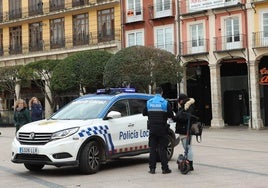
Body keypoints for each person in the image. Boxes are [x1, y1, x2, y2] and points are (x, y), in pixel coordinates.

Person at [143, 87, 174, 174]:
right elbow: (171, 115)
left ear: (154, 92)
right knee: (162, 149)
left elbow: (143, 113)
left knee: (152, 149)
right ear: (162, 93)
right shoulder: (165, 102)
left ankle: (152, 169)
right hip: (162, 129)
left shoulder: (149, 102)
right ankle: (165, 169)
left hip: (152, 129)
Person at [173, 93, 196, 171]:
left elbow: (184, 117)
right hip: (185, 129)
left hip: (185, 130)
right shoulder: (186, 106)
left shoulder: (187, 107)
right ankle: (189, 164)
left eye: (179, 101)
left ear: (182, 100)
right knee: (187, 148)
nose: (178, 103)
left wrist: (177, 116)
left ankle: (190, 165)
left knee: (188, 148)